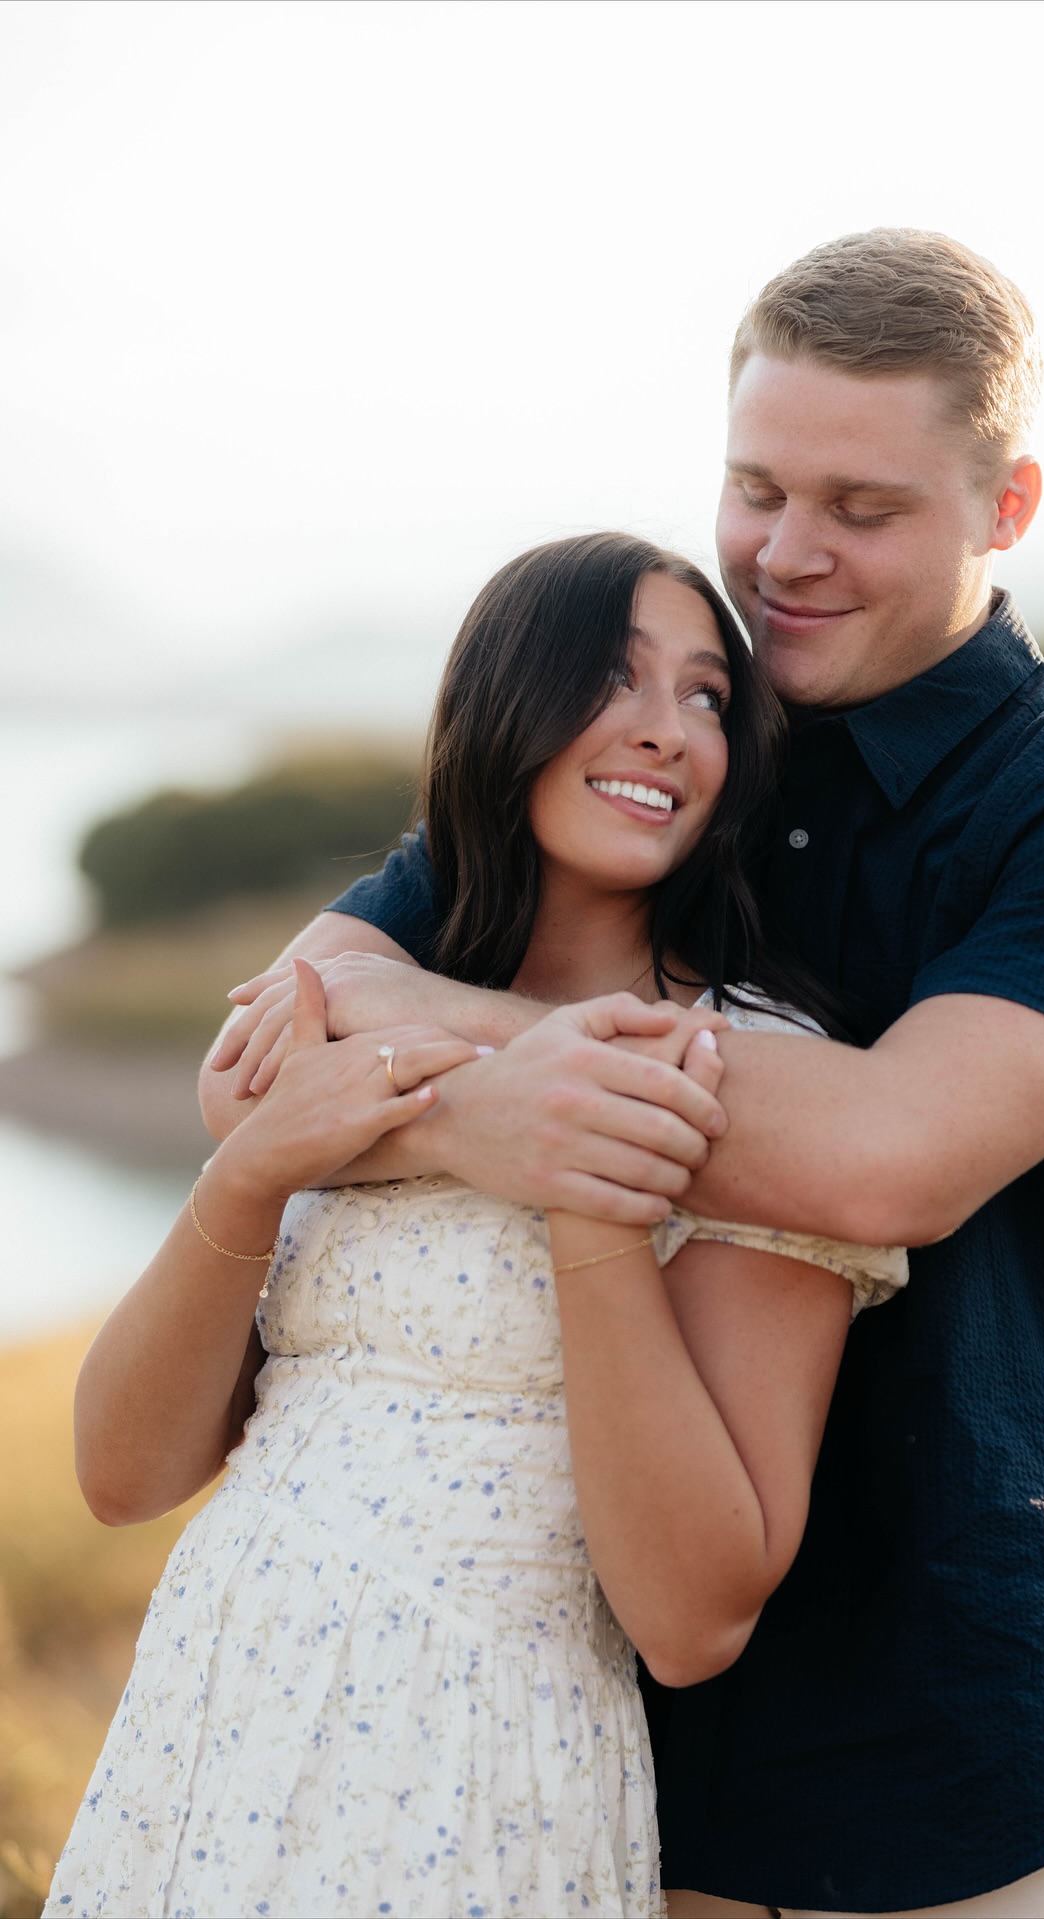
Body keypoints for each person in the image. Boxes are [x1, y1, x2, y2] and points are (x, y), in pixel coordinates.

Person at [210, 230, 1044, 1918]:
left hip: (963, 1718)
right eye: (756, 486)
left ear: (1010, 505)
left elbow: (884, 1163)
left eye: (862, 505)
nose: (785, 554)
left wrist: (481, 1052)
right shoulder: (662, 744)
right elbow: (279, 1030)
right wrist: (481, 1077)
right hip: (618, 1729)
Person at [43, 534, 905, 1919]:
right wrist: (259, 1169)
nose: (663, 729)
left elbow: (695, 1620)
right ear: (503, 702)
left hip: (478, 1768)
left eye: (703, 696)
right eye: (613, 677)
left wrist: (590, 1186)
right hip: (215, 1719)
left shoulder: (744, 1073)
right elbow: (122, 1472)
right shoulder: (351, 1003)